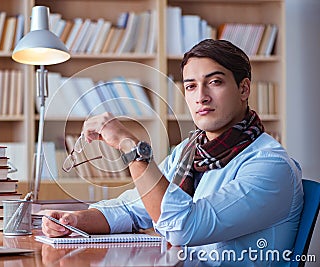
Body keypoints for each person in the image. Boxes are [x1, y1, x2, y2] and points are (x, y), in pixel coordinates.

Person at [42, 39, 303, 265]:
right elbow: (134, 208)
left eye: (214, 82)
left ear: (244, 89)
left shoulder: (270, 165)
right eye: (190, 86)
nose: (201, 96)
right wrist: (74, 220)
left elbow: (183, 227)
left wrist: (130, 146)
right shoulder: (188, 152)